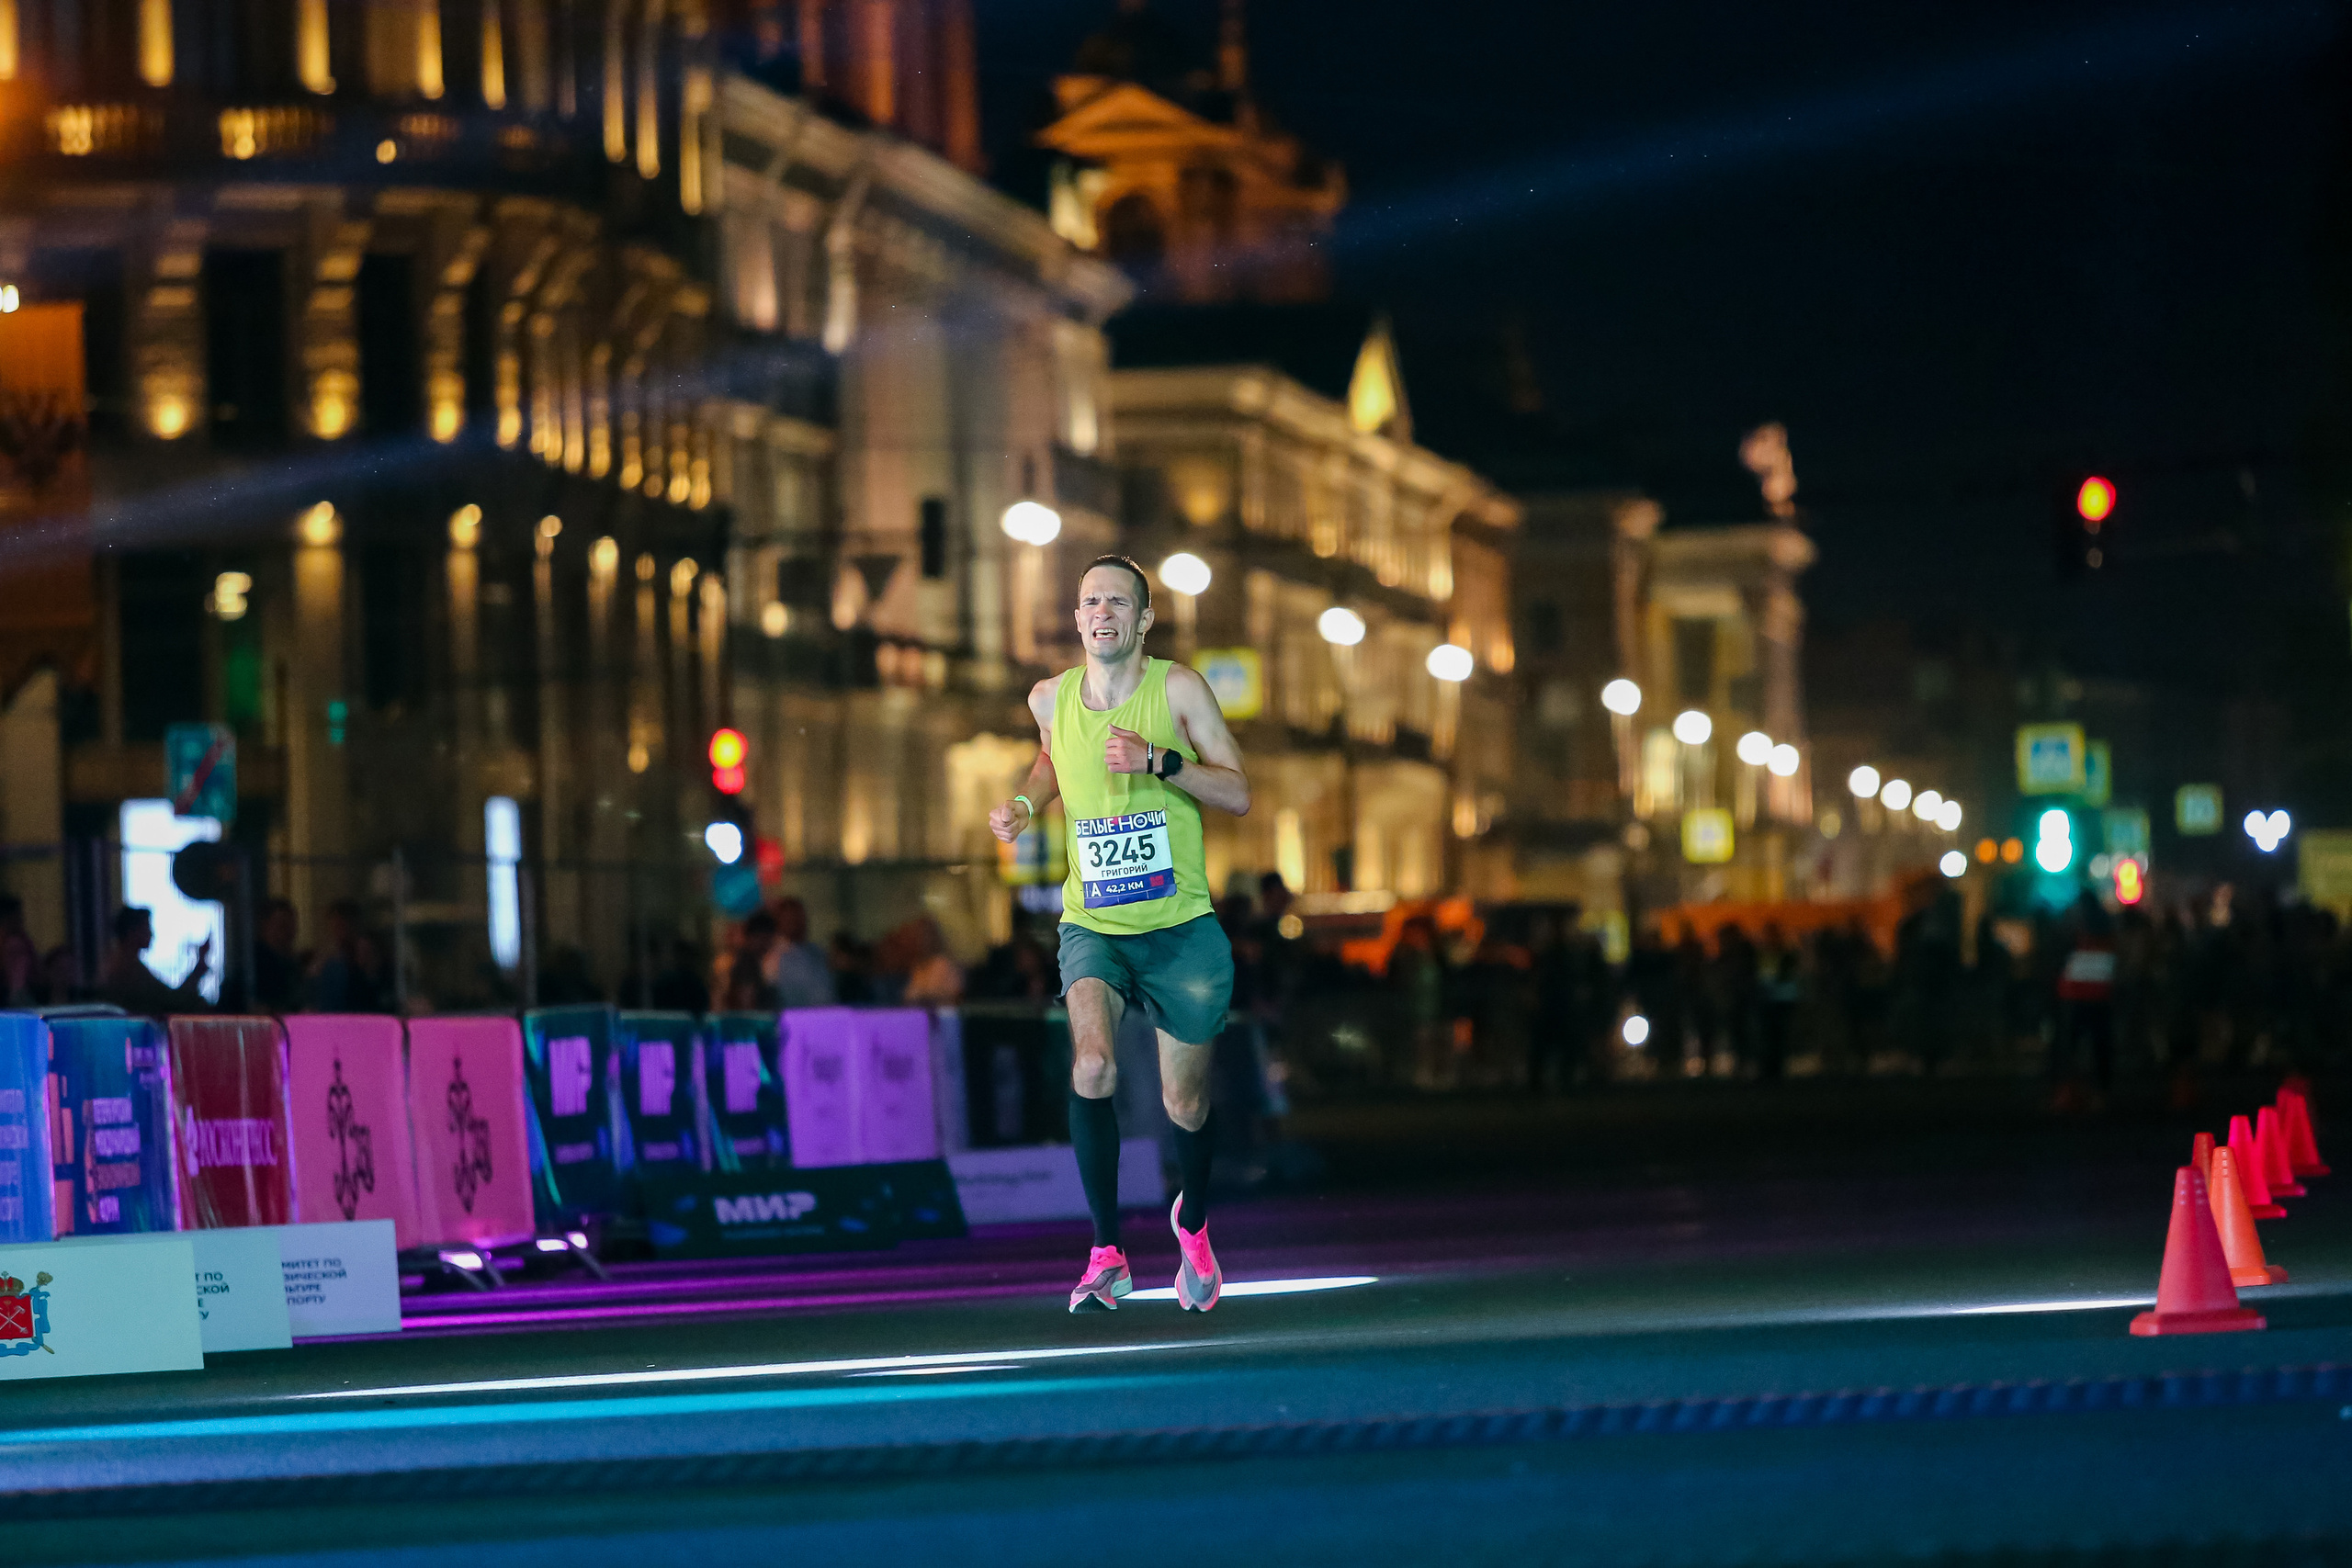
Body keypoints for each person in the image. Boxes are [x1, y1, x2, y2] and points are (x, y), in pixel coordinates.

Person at [988, 555, 1251, 1314]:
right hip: (1093, 923)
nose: (1101, 611)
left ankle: (1192, 1223)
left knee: (1185, 1103)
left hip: (1179, 928)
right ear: (1076, 620)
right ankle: (1106, 1251)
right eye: (1089, 601)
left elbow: (1237, 791)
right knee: (1094, 1064)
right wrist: (1025, 805)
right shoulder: (1049, 696)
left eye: (1117, 602)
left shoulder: (1178, 689)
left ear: (1143, 621)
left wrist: (1161, 762)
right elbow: (1048, 761)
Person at [94, 906, 212, 1016]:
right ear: (132, 932)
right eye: (147, 928)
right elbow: (172, 1001)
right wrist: (200, 964)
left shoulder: (124, 963)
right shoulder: (128, 968)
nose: (152, 934)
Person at [763, 896, 837, 1009]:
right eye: (790, 919)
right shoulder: (773, 959)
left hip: (828, 1018)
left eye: (800, 918)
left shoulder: (817, 952)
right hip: (796, 1021)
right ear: (779, 922)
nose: (797, 923)